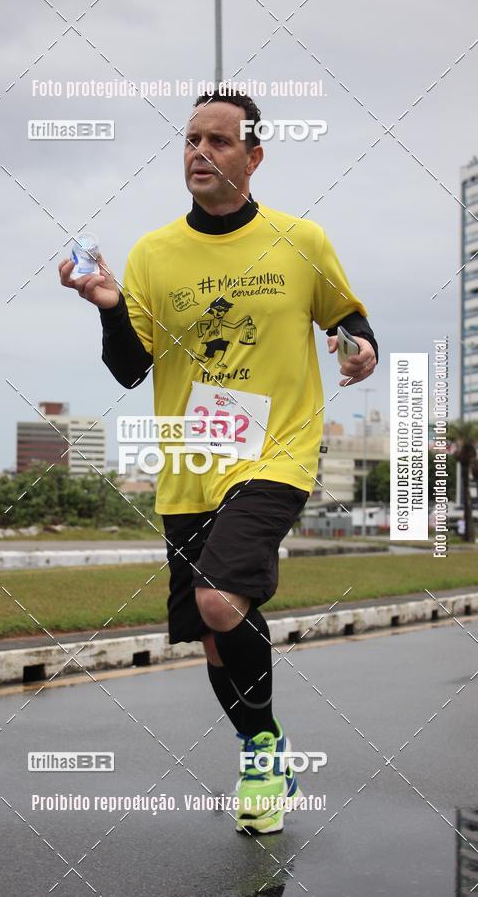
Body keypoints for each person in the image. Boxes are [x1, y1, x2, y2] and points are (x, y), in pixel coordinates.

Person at [59, 90, 378, 835]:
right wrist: (108, 304)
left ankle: (264, 749)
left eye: (219, 140)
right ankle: (258, 747)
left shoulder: (302, 240)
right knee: (213, 631)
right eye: (191, 138)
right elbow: (129, 369)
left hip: (279, 452)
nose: (199, 151)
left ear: (253, 156)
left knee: (216, 597)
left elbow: (348, 317)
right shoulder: (154, 253)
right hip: (192, 465)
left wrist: (360, 346)